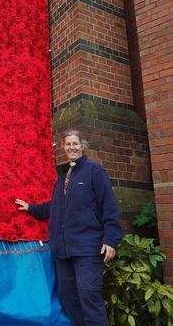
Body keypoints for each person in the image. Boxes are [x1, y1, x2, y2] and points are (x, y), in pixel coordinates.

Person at [15, 130, 123, 326]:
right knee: (68, 298)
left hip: (87, 250)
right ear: (63, 148)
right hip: (63, 252)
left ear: (82, 146)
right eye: (68, 144)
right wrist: (31, 207)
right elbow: (54, 206)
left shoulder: (94, 171)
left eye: (75, 144)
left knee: (89, 297)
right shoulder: (64, 176)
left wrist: (110, 240)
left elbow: (109, 206)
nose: (72, 147)